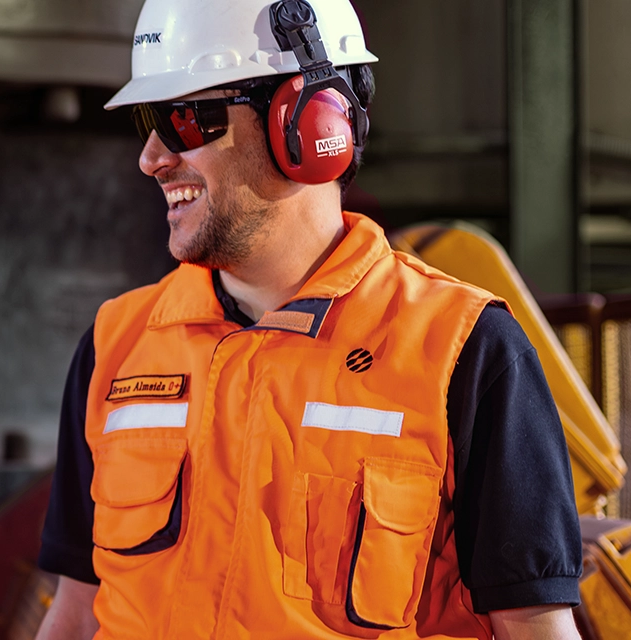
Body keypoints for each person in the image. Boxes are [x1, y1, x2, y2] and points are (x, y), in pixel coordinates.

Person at [32, 0, 583, 638]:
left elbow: (535, 628)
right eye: (149, 123)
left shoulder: (464, 351)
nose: (152, 157)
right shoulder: (116, 344)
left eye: (185, 119)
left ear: (307, 123)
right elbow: (75, 610)